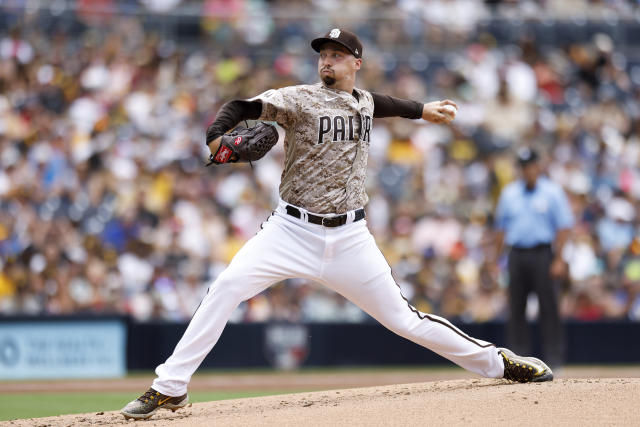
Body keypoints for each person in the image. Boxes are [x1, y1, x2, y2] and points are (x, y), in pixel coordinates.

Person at [121, 29, 554, 421]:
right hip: (290, 230)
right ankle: (170, 387)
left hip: (350, 238)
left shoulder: (363, 101)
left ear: (355, 64)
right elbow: (241, 106)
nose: (327, 61)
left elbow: (383, 104)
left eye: (336, 55)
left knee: (406, 321)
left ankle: (498, 362)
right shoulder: (298, 99)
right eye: (323, 55)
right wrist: (217, 136)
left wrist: (422, 110)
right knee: (226, 287)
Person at [494, 147, 574, 370]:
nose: (528, 170)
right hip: (517, 254)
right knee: (516, 307)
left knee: (549, 306)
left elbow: (563, 227)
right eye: (523, 167)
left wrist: (559, 259)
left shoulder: (552, 192)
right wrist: (494, 260)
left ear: (538, 166)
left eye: (531, 166)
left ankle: (554, 358)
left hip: (543, 254)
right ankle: (519, 360)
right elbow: (500, 229)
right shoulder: (509, 193)